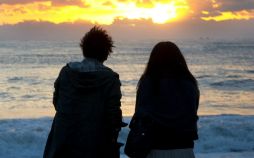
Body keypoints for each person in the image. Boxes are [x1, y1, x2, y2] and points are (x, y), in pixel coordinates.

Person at [43, 26, 123, 158]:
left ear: (84, 49)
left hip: (63, 143)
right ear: (106, 53)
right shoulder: (110, 79)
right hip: (95, 145)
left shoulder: (66, 72)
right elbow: (113, 117)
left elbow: (57, 103)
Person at [132, 41, 199, 158]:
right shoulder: (189, 83)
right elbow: (192, 113)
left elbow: (140, 116)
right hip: (185, 149)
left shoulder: (147, 83)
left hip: (154, 149)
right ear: (179, 59)